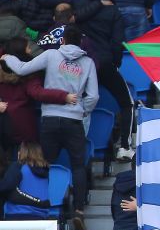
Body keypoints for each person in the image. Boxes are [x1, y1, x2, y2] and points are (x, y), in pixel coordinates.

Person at [0, 26, 98, 214]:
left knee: (45, 163)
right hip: (73, 120)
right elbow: (93, 96)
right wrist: (82, 110)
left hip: (50, 119)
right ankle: (78, 209)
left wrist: (8, 58)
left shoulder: (51, 55)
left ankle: (49, 203)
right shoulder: (88, 62)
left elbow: (23, 69)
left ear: (62, 41)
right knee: (78, 166)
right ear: (81, 43)